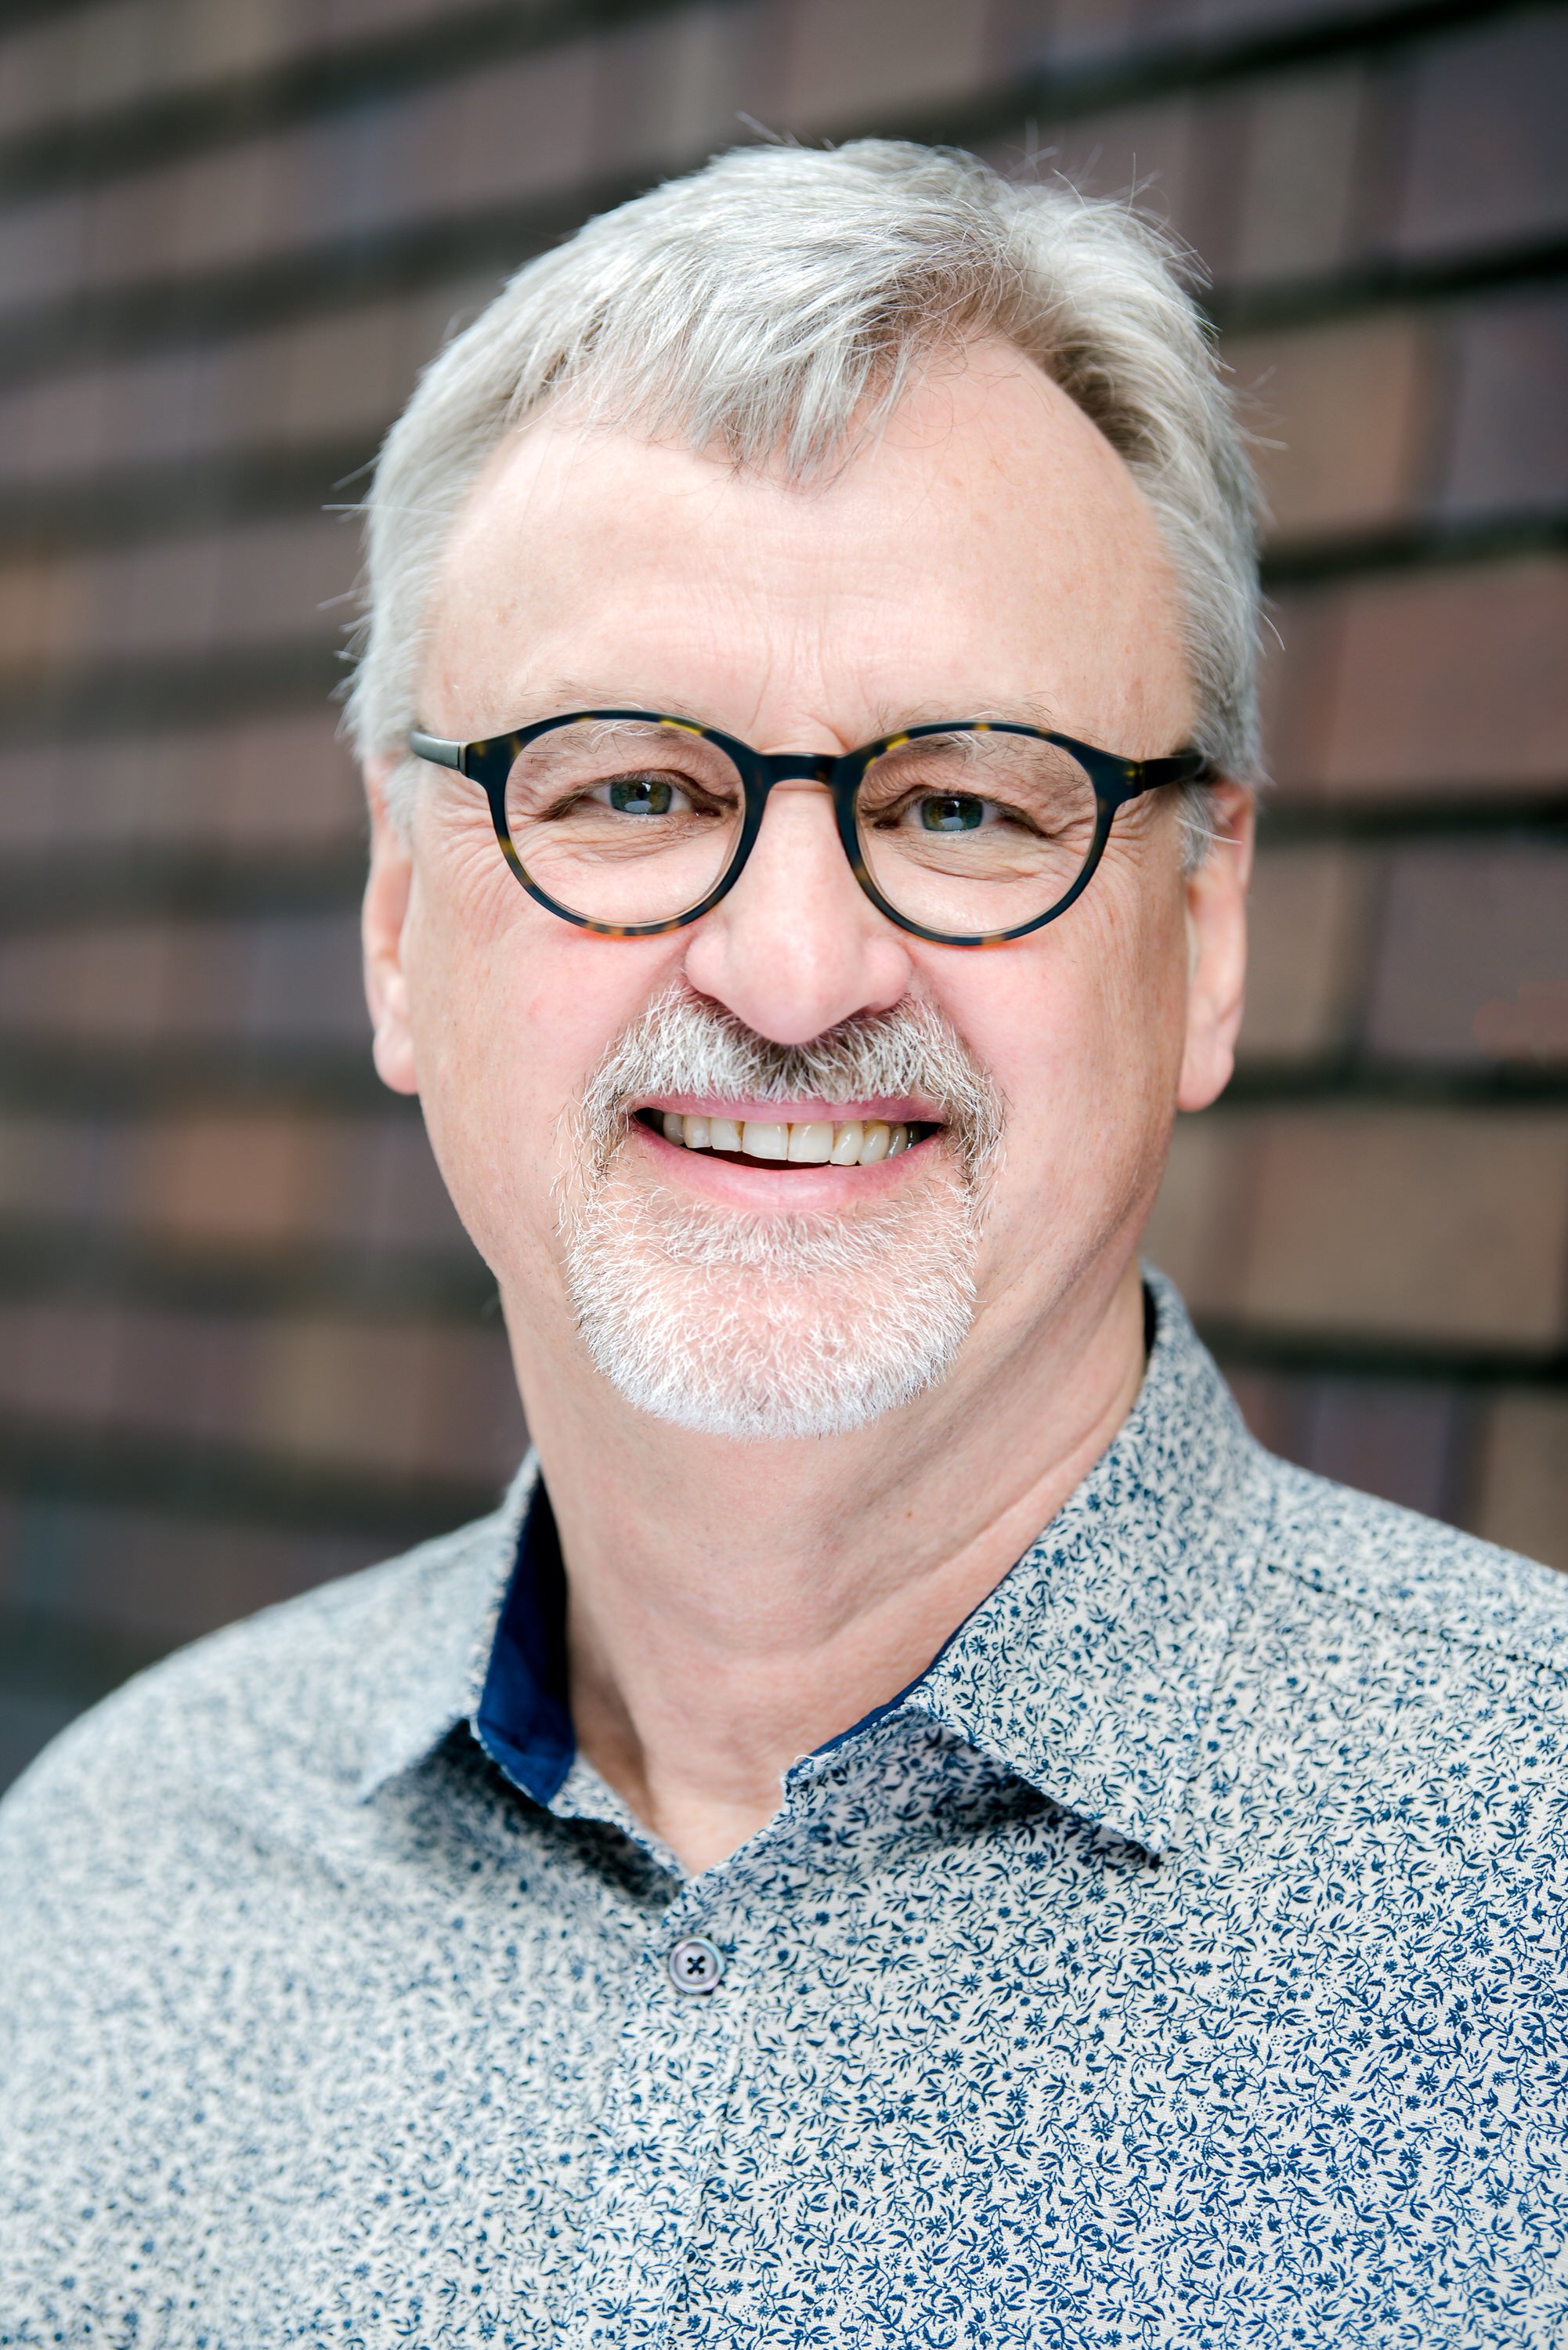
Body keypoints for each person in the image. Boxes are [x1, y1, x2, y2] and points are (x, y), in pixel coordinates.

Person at [2, 139, 1564, 2348]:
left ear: (1202, 932)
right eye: (627, 788)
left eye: (961, 802)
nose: (797, 966)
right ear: (392, 916)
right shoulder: (111, 1883)